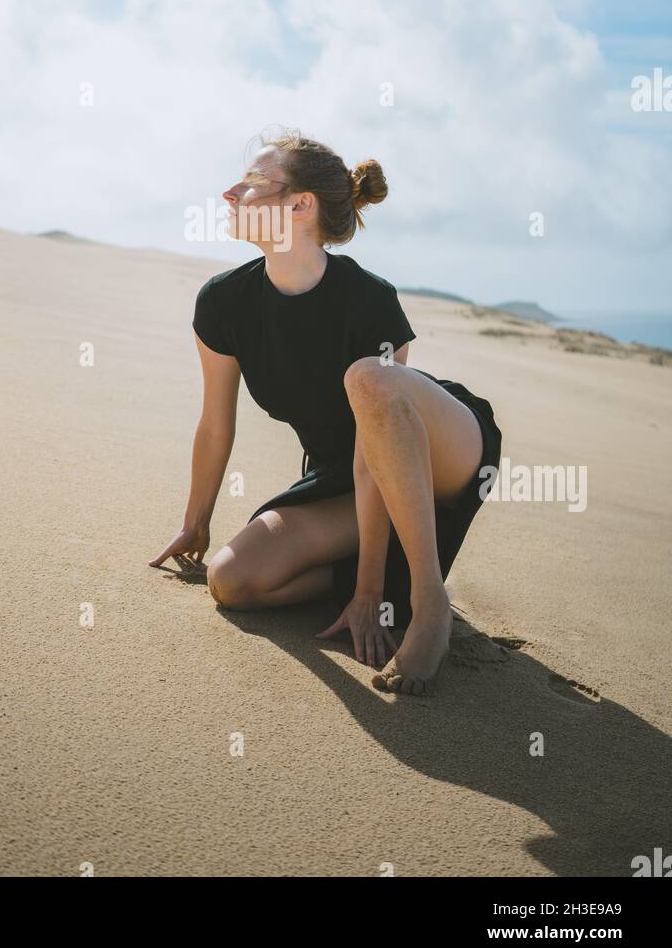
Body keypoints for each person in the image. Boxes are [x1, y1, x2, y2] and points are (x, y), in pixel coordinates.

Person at [150, 131, 502, 696]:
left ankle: (428, 602)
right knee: (232, 580)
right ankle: (380, 577)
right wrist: (196, 521)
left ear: (300, 204)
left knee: (370, 381)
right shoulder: (223, 302)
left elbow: (377, 449)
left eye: (253, 183)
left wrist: (369, 596)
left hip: (439, 455)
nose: (229, 192)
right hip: (342, 480)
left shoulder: (369, 300)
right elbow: (217, 422)